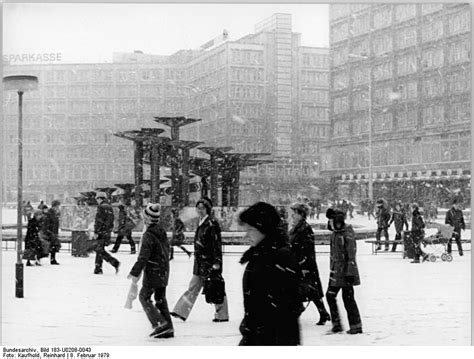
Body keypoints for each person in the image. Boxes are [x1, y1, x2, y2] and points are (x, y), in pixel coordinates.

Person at [238, 202, 303, 345]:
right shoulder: (260, 255)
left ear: (263, 229)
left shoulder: (278, 258)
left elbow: (287, 309)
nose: (246, 235)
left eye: (250, 230)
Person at [170, 197, 229, 322]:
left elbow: (216, 244)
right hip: (201, 262)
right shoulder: (202, 222)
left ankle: (222, 315)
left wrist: (217, 262)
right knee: (197, 286)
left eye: (202, 208)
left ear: (207, 209)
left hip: (209, 262)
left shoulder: (211, 224)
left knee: (216, 287)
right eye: (198, 208)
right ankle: (181, 311)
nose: (200, 210)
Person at [128, 203, 174, 339]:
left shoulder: (148, 235)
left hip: (153, 270)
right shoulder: (161, 231)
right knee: (160, 298)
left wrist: (134, 272)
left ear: (147, 218)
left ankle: (160, 324)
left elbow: (143, 257)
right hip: (163, 269)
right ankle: (168, 327)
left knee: (144, 296)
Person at [289, 202, 331, 326]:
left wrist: (303, 264)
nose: (292, 216)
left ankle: (302, 311)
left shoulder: (305, 228)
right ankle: (322, 312)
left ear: (301, 214)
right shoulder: (297, 228)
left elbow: (307, 249)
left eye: (294, 214)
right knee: (308, 290)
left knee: (309, 289)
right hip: (299, 264)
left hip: (304, 265)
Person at [325, 208, 363, 334]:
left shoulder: (346, 233)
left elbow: (351, 255)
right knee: (331, 295)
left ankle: (355, 326)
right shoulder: (336, 233)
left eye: (331, 220)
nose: (329, 222)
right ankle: (337, 324)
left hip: (345, 272)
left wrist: (350, 273)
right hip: (336, 271)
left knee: (348, 298)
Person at [92, 192, 120, 274]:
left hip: (101, 231)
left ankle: (112, 263)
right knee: (100, 249)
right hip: (106, 231)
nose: (96, 200)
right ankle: (98, 267)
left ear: (100, 198)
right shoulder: (109, 207)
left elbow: (99, 221)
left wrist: (96, 231)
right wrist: (108, 230)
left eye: (97, 198)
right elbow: (111, 220)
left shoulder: (101, 207)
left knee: (99, 249)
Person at [41, 200, 62, 265]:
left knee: (54, 246)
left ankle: (53, 259)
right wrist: (48, 231)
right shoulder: (50, 213)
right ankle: (51, 259)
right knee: (51, 246)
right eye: (58, 206)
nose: (58, 207)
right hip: (50, 232)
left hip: (54, 232)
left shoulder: (55, 213)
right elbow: (47, 223)